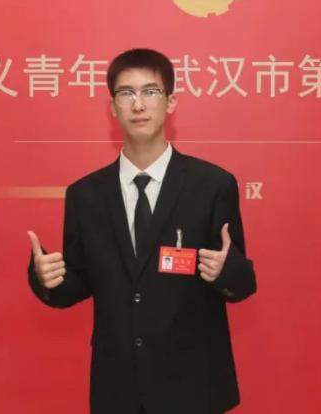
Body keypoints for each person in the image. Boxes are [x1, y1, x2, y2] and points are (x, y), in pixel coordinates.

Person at [27, 47, 257, 414]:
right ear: (112, 107)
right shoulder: (85, 195)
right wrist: (45, 279)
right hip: (119, 388)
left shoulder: (212, 185)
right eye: (126, 93)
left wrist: (225, 271)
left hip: (194, 386)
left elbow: (242, 284)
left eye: (150, 91)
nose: (138, 104)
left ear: (170, 102)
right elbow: (77, 283)